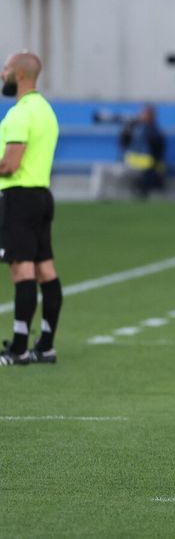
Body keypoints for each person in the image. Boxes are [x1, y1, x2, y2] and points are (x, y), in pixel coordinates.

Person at [0, 51, 63, 366]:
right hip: (41, 195)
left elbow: (10, 165)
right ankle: (46, 345)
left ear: (20, 75)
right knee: (45, 270)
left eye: (7, 68)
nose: (3, 73)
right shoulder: (46, 112)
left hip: (19, 198)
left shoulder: (19, 114)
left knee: (21, 271)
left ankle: (19, 349)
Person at [118, 104, 166, 199]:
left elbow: (158, 151)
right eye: (142, 113)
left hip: (146, 167)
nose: (142, 116)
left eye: (145, 114)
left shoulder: (154, 132)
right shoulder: (134, 128)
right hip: (130, 164)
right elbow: (123, 143)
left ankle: (141, 192)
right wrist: (127, 131)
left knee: (147, 177)